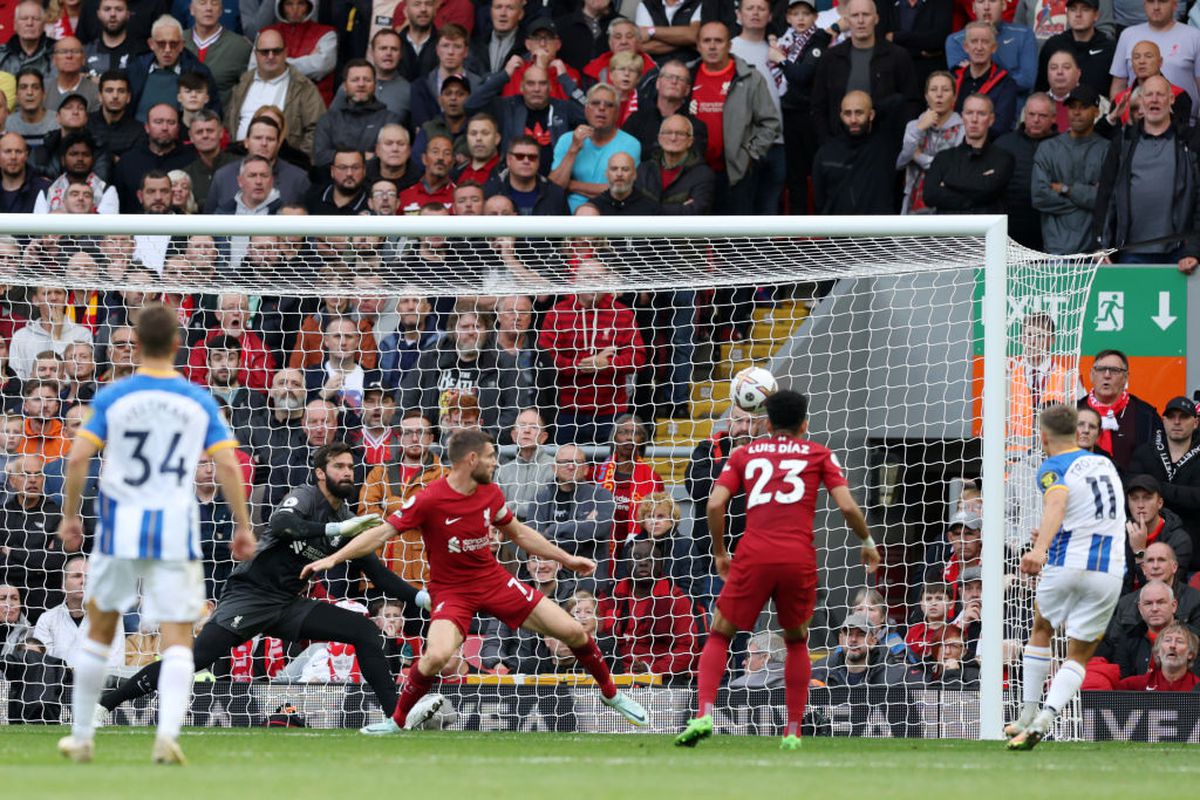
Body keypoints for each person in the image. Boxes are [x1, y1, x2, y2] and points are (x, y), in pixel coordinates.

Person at [301, 429, 649, 734]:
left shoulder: (490, 493)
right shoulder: (429, 498)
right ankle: (397, 720)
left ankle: (611, 694)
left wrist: (567, 559)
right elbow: (382, 533)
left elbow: (520, 533)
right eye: (490, 457)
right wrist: (333, 557)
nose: (496, 463)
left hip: (494, 581)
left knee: (574, 632)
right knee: (435, 656)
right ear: (471, 460)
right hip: (451, 592)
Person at [99, 442, 432, 733]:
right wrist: (338, 526)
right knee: (193, 659)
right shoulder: (305, 497)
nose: (347, 472)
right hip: (251, 597)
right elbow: (282, 525)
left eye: (350, 467)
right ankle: (106, 704)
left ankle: (396, 717)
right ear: (320, 472)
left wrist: (420, 597)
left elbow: (376, 571)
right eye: (339, 466)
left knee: (364, 631)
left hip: (289, 604)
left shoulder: (346, 518)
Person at [52, 303, 254, 764]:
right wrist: (242, 526)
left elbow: (78, 457)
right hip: (174, 534)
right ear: (178, 345)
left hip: (120, 529)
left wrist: (70, 516)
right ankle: (167, 736)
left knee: (100, 631)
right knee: (178, 636)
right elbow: (226, 463)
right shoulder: (196, 398)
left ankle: (82, 736)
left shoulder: (113, 395)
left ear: (136, 345)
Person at [676, 390, 880, 750]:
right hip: (797, 556)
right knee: (797, 640)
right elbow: (847, 507)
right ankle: (793, 730)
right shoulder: (819, 454)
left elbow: (714, 503)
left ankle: (704, 712)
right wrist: (867, 543)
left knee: (721, 633)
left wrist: (721, 551)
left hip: (752, 553)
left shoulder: (744, 453)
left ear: (766, 423)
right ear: (805, 424)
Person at [1005, 403, 1126, 750]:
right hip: (1109, 569)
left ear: (1043, 437)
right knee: (1079, 654)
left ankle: (1027, 714)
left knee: (1042, 628)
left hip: (1067, 562)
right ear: (1077, 433)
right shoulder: (1104, 463)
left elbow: (1057, 503)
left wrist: (1039, 549)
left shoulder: (1053, 465)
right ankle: (1047, 716)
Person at [811, 0, 921, 144]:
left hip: (884, 147)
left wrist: (897, 142)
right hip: (839, 145)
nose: (861, 21)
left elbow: (911, 102)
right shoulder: (831, 58)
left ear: (876, 18)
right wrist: (827, 143)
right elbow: (818, 105)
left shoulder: (898, 56)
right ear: (847, 20)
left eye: (866, 15)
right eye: (855, 15)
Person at [1031, 85, 1107, 255]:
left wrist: (1066, 190)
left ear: (1096, 112)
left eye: (1083, 107)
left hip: (1092, 251)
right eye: (1072, 107)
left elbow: (1105, 200)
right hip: (1055, 249)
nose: (1077, 112)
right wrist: (1085, 198)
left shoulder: (1107, 149)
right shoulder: (1048, 148)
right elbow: (1039, 196)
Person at [813, 91, 910, 214]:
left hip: (879, 229)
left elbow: (898, 101)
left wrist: (869, 106)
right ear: (841, 116)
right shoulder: (826, 152)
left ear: (871, 115)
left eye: (859, 113)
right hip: (839, 230)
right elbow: (820, 200)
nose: (853, 120)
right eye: (848, 113)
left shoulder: (884, 144)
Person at [549, 82, 640, 213]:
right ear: (586, 110)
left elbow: (619, 190)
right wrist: (573, 149)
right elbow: (554, 188)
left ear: (617, 113)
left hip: (610, 215)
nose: (601, 108)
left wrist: (571, 185)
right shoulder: (567, 139)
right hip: (568, 217)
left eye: (609, 105)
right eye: (595, 103)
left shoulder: (631, 144)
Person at [1129, 397, 1200, 559]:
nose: (1177, 422)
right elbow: (1131, 489)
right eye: (1171, 416)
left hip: (1195, 553)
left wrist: (1156, 489)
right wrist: (1182, 495)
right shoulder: (1144, 452)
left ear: (1195, 423)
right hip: (1149, 549)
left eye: (1183, 417)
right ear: (1163, 421)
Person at [1109, 0, 1200, 124]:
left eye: (1162, 1)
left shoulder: (1194, 36)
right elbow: (1119, 85)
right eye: (1151, 1)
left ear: (1175, 4)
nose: (1156, 7)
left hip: (1185, 123)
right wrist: (1119, 120)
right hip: (1134, 125)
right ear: (1144, 4)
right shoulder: (1128, 35)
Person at [923, 93, 1015, 213]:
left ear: (991, 119)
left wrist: (948, 182)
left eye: (981, 113)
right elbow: (930, 196)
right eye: (969, 113)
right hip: (949, 230)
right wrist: (973, 197)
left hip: (985, 230)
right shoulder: (943, 157)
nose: (974, 119)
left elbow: (988, 190)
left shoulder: (1003, 158)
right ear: (962, 117)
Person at [1077, 349, 1163, 472]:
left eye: (1114, 370)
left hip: (1131, 488)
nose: (1107, 375)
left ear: (1126, 377)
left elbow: (1156, 464)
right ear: (1091, 374)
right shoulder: (1073, 412)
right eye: (1101, 369)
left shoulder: (1146, 415)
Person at [898, 71, 964, 214]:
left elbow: (952, 170)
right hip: (913, 205)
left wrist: (919, 157)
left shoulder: (963, 129)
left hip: (948, 205)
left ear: (954, 97)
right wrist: (919, 128)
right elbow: (901, 162)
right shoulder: (913, 126)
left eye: (945, 90)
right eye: (933, 90)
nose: (939, 95)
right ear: (926, 96)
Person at [1035, 0, 1116, 97]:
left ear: (1096, 15)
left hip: (1099, 108)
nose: (1078, 14)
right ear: (1067, 14)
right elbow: (1041, 90)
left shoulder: (1109, 48)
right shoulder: (1053, 45)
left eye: (1085, 10)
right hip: (1058, 108)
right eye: (1073, 9)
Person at [1116, 621, 1200, 690]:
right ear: (1157, 652)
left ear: (1191, 654)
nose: (1172, 645)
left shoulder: (1197, 687)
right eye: (1167, 640)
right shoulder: (1133, 685)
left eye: (1180, 641)